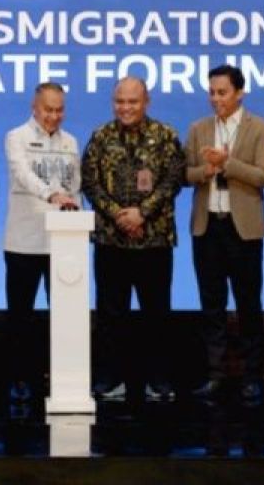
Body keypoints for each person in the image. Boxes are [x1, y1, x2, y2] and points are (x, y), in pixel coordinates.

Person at [81, 76, 184, 401]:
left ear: (146, 102)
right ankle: (110, 380)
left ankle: (159, 380)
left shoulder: (166, 135)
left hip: (154, 241)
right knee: (111, 315)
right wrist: (118, 215)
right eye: (120, 101)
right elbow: (90, 182)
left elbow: (173, 180)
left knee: (157, 314)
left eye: (132, 101)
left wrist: (142, 213)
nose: (125, 107)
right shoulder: (100, 136)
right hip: (111, 241)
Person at [185, 64, 264, 402]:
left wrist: (226, 164)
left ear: (240, 93)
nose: (215, 99)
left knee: (248, 304)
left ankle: (252, 377)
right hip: (207, 226)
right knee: (212, 305)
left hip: (243, 230)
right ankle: (215, 375)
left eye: (222, 92)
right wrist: (205, 170)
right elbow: (184, 174)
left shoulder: (261, 128)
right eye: (211, 92)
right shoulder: (198, 128)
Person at [2, 82, 81, 402]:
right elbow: (23, 175)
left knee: (64, 316)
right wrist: (52, 194)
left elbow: (75, 186)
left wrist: (77, 216)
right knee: (20, 315)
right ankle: (19, 378)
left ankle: (61, 376)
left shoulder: (71, 141)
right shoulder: (16, 137)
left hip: (63, 244)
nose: (54, 116)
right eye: (48, 109)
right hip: (24, 240)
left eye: (59, 110)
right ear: (34, 108)